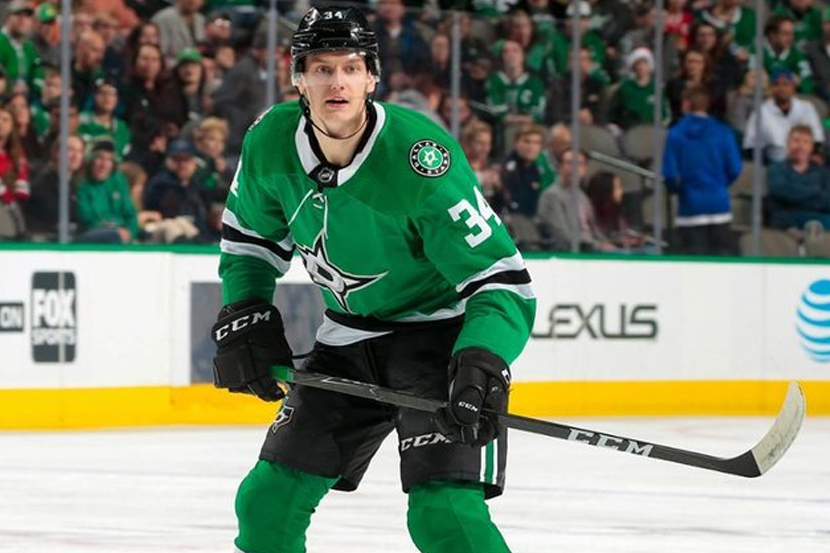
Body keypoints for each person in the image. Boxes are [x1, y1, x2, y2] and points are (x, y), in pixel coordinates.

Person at [210, 7, 535, 553]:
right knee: (267, 505)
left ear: (371, 78)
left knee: (444, 517)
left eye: (350, 68)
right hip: (346, 339)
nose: (336, 82)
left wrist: (483, 357)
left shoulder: (420, 161)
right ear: (298, 78)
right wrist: (245, 310)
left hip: (439, 342)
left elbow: (502, 282)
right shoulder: (268, 141)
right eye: (321, 68)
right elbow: (249, 245)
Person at [662, 85, 742, 255]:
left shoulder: (676, 133)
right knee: (721, 261)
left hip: (690, 206)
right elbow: (735, 168)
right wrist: (720, 185)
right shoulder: (723, 132)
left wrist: (680, 190)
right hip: (719, 204)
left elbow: (670, 174)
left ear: (686, 104)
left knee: (693, 263)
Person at [743, 69, 823, 163]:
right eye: (776, 84)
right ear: (770, 88)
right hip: (774, 160)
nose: (781, 88)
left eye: (786, 84)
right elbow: (750, 146)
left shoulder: (807, 107)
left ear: (793, 88)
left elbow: (818, 138)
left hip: (804, 160)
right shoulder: (760, 112)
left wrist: (810, 157)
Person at [766, 125, 830, 230]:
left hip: (818, 219)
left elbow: (827, 201)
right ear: (788, 144)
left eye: (805, 142)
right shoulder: (776, 168)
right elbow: (780, 192)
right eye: (796, 141)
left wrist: (796, 198)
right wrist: (815, 191)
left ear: (811, 147)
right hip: (787, 220)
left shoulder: (823, 173)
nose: (800, 146)